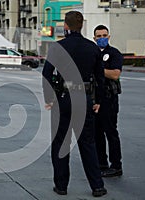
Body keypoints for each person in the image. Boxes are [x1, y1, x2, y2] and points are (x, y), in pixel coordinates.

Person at [42, 11, 107, 197]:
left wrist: (49, 98)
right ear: (81, 26)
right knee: (88, 143)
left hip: (63, 98)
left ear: (66, 26)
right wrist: (97, 101)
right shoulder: (92, 47)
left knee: (61, 142)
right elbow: (100, 78)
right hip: (83, 98)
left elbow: (47, 74)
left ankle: (61, 186)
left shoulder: (57, 47)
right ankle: (97, 186)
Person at [93, 25, 123, 177]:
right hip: (95, 98)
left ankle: (116, 165)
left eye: (104, 35)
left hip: (109, 98)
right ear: (94, 38)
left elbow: (115, 74)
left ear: (109, 37)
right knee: (97, 133)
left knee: (110, 132)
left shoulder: (114, 53)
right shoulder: (93, 53)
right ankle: (102, 163)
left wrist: (98, 69)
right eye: (99, 36)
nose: (102, 38)